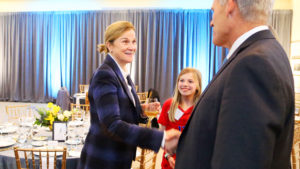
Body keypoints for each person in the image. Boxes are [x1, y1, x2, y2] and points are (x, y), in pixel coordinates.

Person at [172, 0, 295, 169]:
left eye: (213, 12)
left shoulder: (252, 63)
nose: (211, 22)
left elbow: (239, 159)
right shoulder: (266, 51)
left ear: (230, 6)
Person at [78, 21, 178, 169]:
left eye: (134, 42)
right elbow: (112, 124)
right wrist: (160, 138)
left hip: (118, 157)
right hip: (103, 160)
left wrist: (142, 109)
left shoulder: (122, 73)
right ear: (110, 45)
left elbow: (123, 110)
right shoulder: (105, 74)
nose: (132, 47)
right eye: (125, 41)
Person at [158, 68, 202, 169]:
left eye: (190, 81)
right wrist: (168, 156)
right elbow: (161, 137)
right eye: (181, 80)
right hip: (169, 163)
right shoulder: (168, 105)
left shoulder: (201, 107)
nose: (185, 84)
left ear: (197, 86)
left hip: (192, 161)